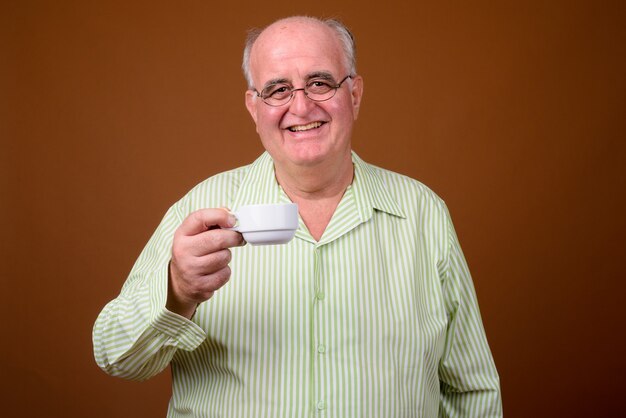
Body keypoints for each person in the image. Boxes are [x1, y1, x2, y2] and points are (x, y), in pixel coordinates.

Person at [93, 16, 502, 417]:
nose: (301, 106)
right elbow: (117, 357)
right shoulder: (200, 209)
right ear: (254, 107)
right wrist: (177, 291)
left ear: (354, 94)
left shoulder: (422, 213)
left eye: (320, 83)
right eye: (278, 89)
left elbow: (472, 391)